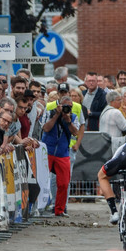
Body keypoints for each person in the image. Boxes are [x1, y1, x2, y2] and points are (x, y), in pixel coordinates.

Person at [41, 88, 78, 218]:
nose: (67, 109)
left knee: (63, 183)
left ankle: (60, 210)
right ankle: (39, 207)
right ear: (59, 105)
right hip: (48, 151)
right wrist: (56, 115)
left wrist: (68, 121)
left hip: (63, 153)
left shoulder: (73, 117)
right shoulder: (50, 112)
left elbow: (75, 132)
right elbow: (45, 128)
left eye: (70, 107)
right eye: (65, 107)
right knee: (42, 180)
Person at [98, 90, 126, 155]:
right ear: (112, 102)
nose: (121, 102)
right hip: (113, 144)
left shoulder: (104, 111)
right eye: (119, 100)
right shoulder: (116, 112)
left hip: (103, 143)